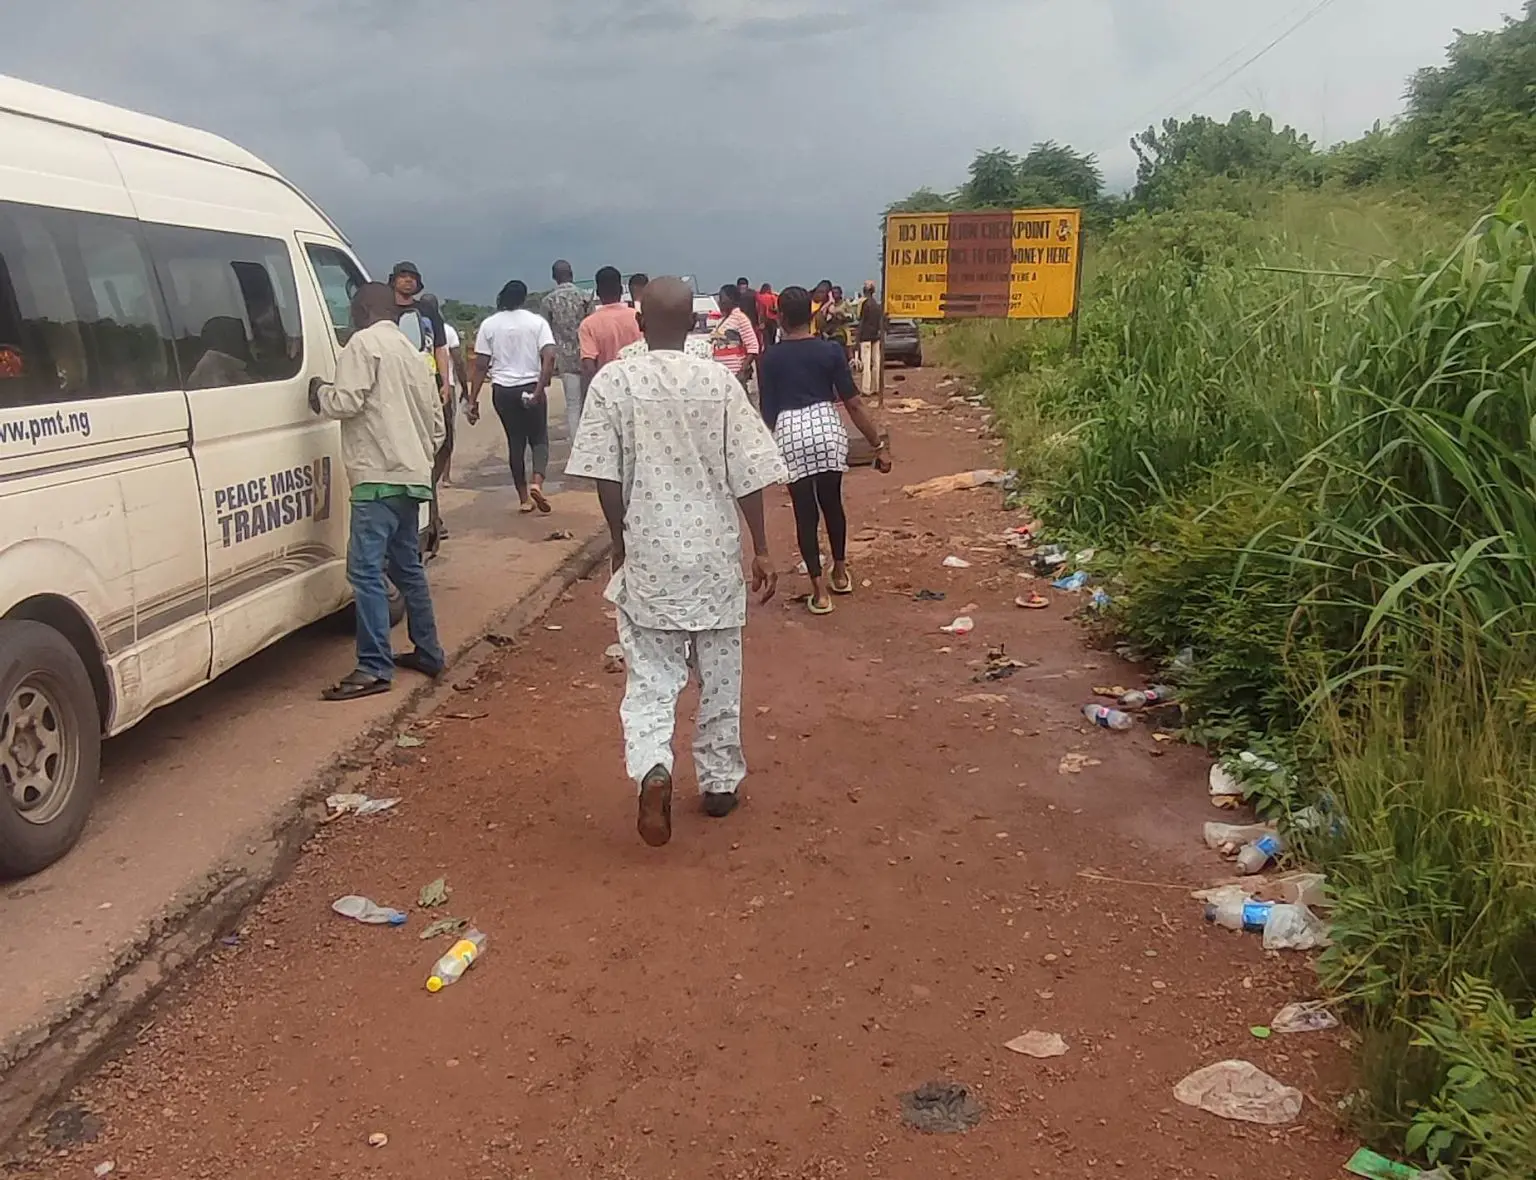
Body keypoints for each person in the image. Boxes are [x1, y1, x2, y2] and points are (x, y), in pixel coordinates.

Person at [566, 277, 787, 846]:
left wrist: (619, 540)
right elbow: (747, 471)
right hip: (713, 556)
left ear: (640, 320)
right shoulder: (719, 382)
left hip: (651, 554)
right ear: (693, 322)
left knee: (650, 679)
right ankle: (718, 783)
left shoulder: (615, 382)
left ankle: (653, 767)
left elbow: (605, 476)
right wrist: (759, 547)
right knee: (719, 676)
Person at [309, 282, 445, 701]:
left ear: (364, 308)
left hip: (376, 479)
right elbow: (437, 423)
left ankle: (373, 667)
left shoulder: (362, 345)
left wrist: (318, 393)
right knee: (408, 568)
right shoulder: (410, 352)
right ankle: (428, 652)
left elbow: (345, 402)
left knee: (365, 571)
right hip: (411, 476)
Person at [758, 285, 891, 615]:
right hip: (827, 428)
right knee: (832, 503)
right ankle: (841, 572)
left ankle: (819, 593)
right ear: (812, 315)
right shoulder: (830, 351)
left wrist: (768, 452)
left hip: (791, 432)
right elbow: (854, 403)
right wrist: (877, 444)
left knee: (805, 513)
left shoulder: (769, 359)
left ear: (782, 317)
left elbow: (767, 413)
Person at [467, 280, 556, 513]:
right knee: (539, 438)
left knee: (515, 441)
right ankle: (537, 482)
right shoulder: (537, 323)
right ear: (524, 298)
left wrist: (472, 399)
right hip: (530, 384)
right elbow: (549, 357)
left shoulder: (489, 324)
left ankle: (524, 498)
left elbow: (480, 366)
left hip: (503, 390)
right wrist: (539, 388)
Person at [543, 260, 591, 447]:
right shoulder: (585, 297)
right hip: (587, 357)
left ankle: (577, 448)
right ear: (572, 274)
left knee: (573, 406)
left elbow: (546, 334)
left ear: (554, 277)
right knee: (588, 405)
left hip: (564, 358)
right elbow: (591, 327)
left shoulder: (548, 301)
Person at [579, 266, 643, 393]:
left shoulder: (588, 325)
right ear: (620, 290)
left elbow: (589, 367)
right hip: (640, 384)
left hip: (609, 389)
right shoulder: (639, 316)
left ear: (597, 292)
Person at [711, 285, 760, 388]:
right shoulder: (721, 320)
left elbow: (753, 347)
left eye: (722, 299)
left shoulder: (740, 318)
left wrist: (742, 371)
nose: (720, 302)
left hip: (735, 373)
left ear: (732, 300)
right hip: (721, 374)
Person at [855, 280, 884, 399]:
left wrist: (857, 337)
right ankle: (876, 387)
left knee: (866, 363)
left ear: (864, 291)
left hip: (865, 337)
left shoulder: (864, 304)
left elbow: (861, 321)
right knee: (876, 362)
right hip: (876, 336)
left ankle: (866, 389)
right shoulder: (877, 305)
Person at [756, 283, 779, 348]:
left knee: (765, 339)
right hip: (772, 319)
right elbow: (775, 308)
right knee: (772, 339)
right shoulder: (772, 297)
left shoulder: (759, 297)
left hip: (762, 320)